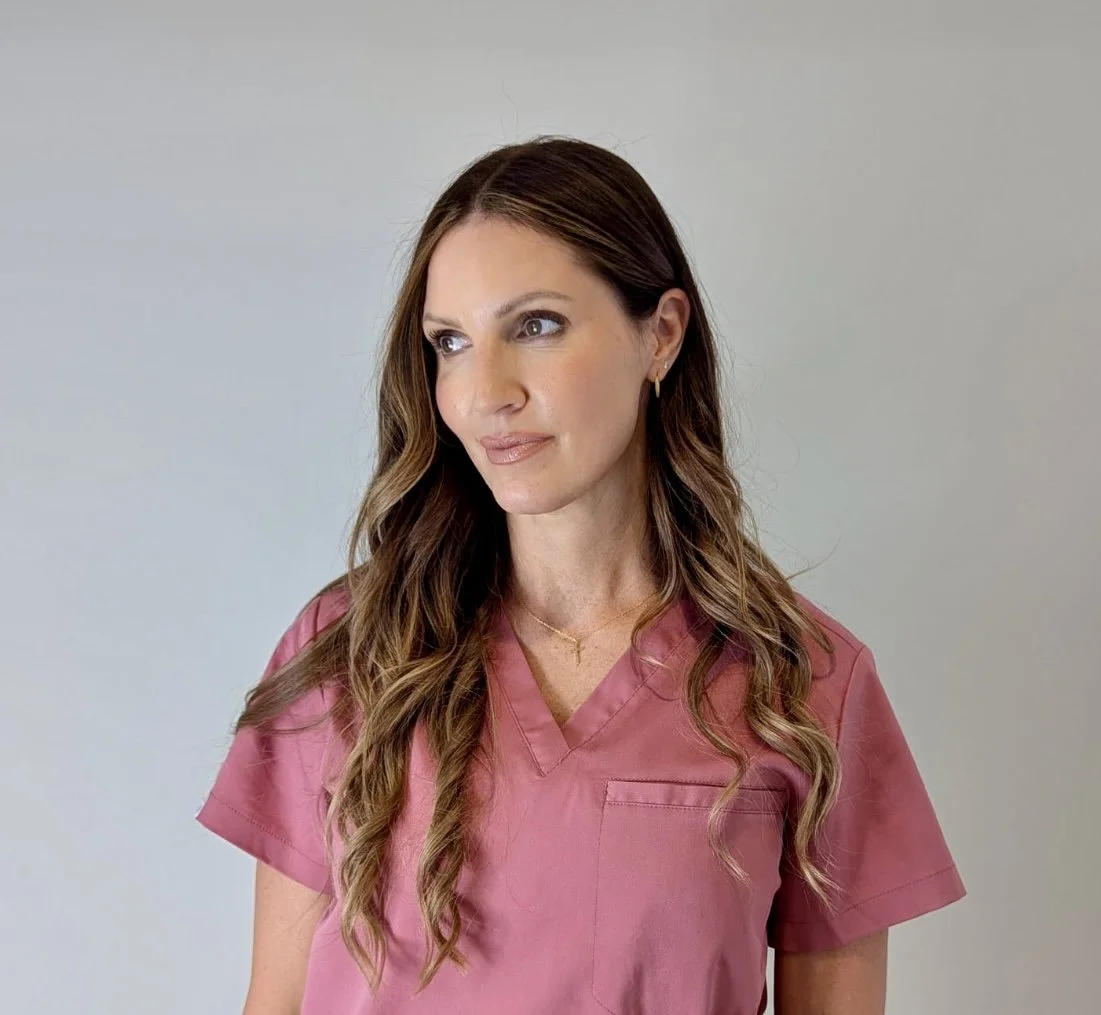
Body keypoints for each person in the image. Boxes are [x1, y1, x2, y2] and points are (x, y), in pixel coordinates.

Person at [195, 135, 966, 1015]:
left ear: (660, 334)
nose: (485, 390)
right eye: (449, 342)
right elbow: (276, 1004)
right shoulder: (350, 652)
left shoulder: (804, 683)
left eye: (536, 326)